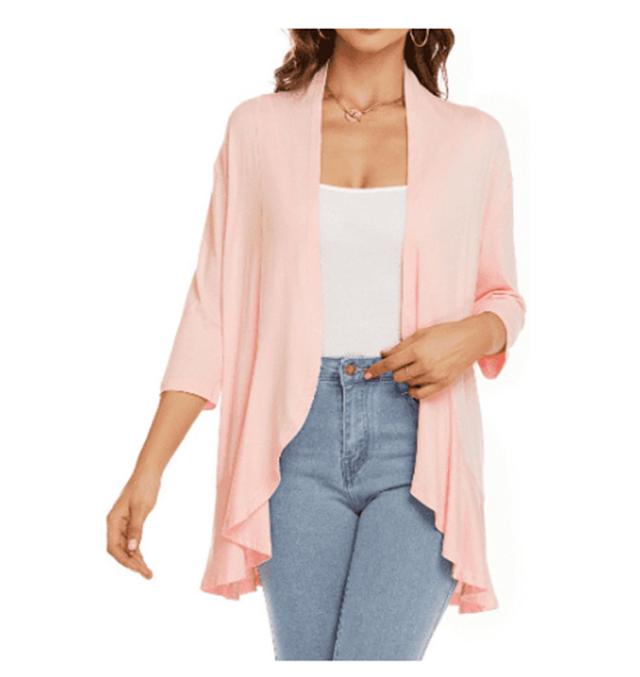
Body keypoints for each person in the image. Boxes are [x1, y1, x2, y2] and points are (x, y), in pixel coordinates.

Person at [107, 28, 526, 661]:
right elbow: (211, 310)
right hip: (291, 445)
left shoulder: (474, 139)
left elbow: (503, 296)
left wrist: (474, 334)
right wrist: (147, 471)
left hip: (420, 442)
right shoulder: (257, 131)